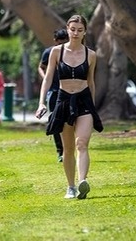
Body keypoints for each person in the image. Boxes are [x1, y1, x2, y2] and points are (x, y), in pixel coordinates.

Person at [35, 14, 103, 200]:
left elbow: (91, 82)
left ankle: (82, 182)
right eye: (72, 29)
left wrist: (93, 105)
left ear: (85, 32)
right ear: (67, 29)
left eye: (79, 30)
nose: (75, 33)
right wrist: (41, 102)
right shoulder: (57, 52)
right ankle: (70, 186)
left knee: (82, 143)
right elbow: (48, 78)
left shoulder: (91, 55)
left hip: (84, 101)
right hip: (63, 99)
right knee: (68, 148)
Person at [38, 28, 69, 162]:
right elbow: (41, 66)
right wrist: (46, 77)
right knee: (55, 119)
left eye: (64, 42)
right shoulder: (49, 52)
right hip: (54, 90)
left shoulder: (72, 52)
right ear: (55, 41)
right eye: (59, 43)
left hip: (68, 90)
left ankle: (69, 149)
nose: (61, 45)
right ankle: (60, 151)